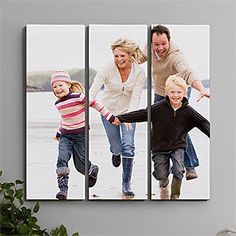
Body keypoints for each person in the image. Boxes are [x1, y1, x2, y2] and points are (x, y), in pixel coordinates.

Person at [117, 75, 210, 199]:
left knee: (178, 171)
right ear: (166, 93)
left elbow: (203, 123)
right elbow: (142, 114)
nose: (175, 95)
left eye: (179, 92)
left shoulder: (189, 112)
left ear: (185, 93)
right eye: (172, 92)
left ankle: (175, 197)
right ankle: (163, 177)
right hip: (159, 148)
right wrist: (121, 118)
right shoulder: (157, 108)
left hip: (178, 146)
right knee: (161, 174)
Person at [148, 24, 210, 182]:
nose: (160, 47)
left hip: (179, 89)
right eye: (156, 44)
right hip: (161, 91)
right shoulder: (149, 48)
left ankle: (190, 166)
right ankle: (162, 171)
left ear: (169, 40)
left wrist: (201, 89)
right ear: (151, 42)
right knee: (158, 128)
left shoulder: (175, 55)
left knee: (179, 126)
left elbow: (188, 72)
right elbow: (137, 57)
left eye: (164, 43)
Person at [89, 38, 147, 198]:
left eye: (122, 56)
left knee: (128, 145)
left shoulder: (139, 73)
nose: (119, 59)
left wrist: (130, 117)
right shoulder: (107, 68)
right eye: (116, 56)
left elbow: (136, 97)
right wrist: (85, 104)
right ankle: (115, 153)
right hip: (108, 113)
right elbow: (93, 90)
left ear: (130, 55)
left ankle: (126, 184)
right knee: (117, 147)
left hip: (129, 112)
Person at [51, 70, 119, 200]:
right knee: (62, 159)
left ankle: (92, 169)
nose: (58, 89)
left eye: (60, 85)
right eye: (54, 86)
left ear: (69, 85)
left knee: (80, 166)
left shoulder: (79, 97)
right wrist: (59, 132)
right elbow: (65, 118)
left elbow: (97, 105)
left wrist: (110, 117)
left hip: (81, 135)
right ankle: (63, 189)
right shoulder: (58, 104)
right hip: (65, 136)